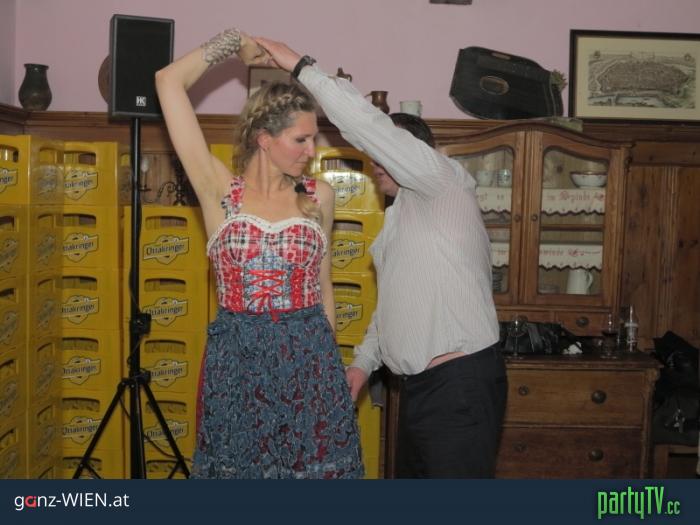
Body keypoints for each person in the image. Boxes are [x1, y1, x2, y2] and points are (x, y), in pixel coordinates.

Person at [256, 37, 508, 478]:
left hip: (459, 387)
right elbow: (392, 308)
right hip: (418, 390)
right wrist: (363, 364)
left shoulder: (443, 181)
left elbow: (366, 126)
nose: (374, 161)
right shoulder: (401, 217)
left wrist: (300, 66)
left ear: (412, 155)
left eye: (383, 152)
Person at [155, 28, 363, 479]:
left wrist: (330, 367)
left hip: (310, 358)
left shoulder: (319, 197)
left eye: (314, 139)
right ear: (265, 139)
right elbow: (167, 82)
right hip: (238, 359)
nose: (312, 151)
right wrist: (233, 43)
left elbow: (324, 286)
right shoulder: (218, 190)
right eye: (301, 140)